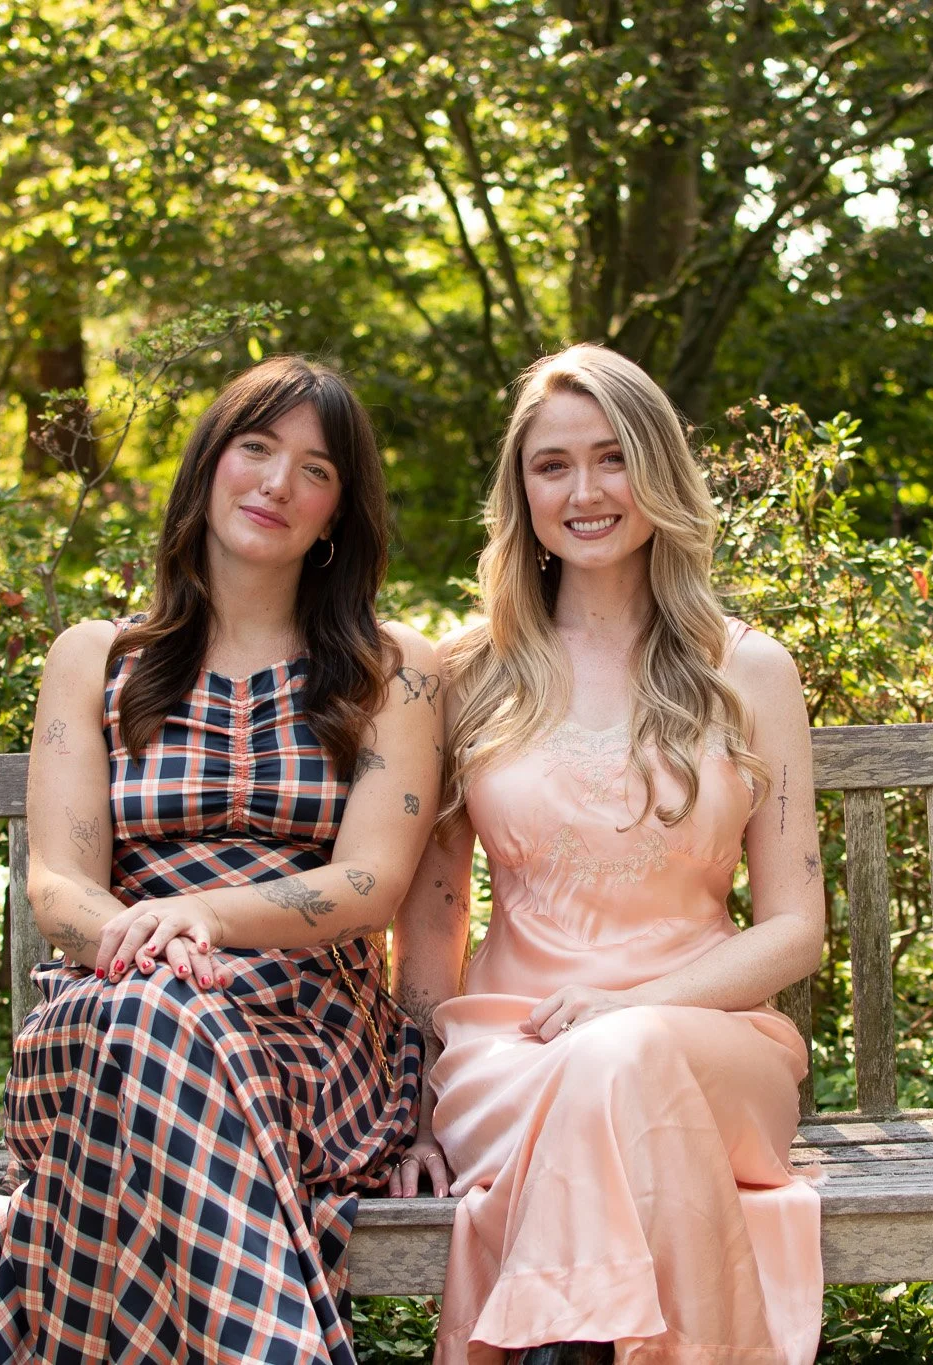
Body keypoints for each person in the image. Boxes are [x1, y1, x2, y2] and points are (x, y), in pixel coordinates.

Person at [0, 355, 442, 1364]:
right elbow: (57, 886)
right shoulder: (98, 658)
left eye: (314, 469)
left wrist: (205, 919)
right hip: (104, 1007)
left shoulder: (393, 668)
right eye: (254, 449)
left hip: (306, 1038)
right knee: (149, 1014)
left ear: (337, 512)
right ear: (206, 467)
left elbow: (366, 886)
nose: (276, 484)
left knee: (153, 1039)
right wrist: (144, 943)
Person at [385, 345, 827, 1365]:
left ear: (657, 471)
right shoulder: (467, 674)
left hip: (709, 1048)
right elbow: (433, 914)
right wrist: (408, 1112)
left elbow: (796, 928)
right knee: (598, 1075)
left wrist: (632, 1006)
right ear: (521, 489)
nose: (583, 491)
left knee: (621, 1057)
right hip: (512, 1053)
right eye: (552, 466)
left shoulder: (748, 670)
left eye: (610, 458)